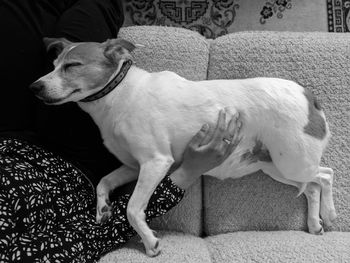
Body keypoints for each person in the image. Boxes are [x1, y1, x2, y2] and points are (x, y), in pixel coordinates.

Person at [0, 0, 242, 262]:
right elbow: (98, 236)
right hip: (68, 157)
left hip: (8, 132)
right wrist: (190, 170)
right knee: (94, 8)